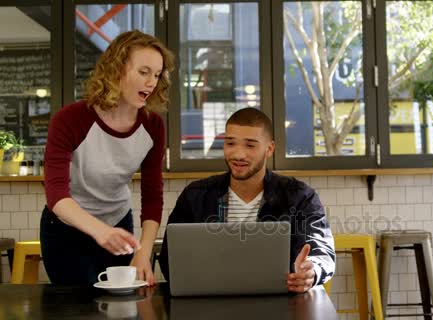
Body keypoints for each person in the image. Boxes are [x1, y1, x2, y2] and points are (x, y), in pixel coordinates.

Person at [41, 30, 174, 286]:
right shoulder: (70, 119)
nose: (152, 82)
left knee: (120, 309)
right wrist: (100, 232)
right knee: (77, 309)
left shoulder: (153, 126)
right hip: (66, 227)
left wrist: (143, 253)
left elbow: (152, 195)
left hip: (118, 223)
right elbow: (56, 195)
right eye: (143, 72)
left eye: (157, 75)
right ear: (116, 70)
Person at [158, 108, 335, 292]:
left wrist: (312, 270)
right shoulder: (195, 195)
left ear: (269, 149)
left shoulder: (299, 196)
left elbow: (322, 250)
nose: (238, 154)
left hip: (280, 302)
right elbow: (169, 259)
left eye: (250, 145)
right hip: (211, 301)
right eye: (230, 143)